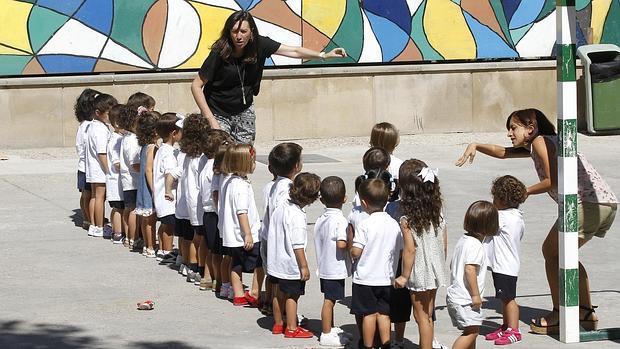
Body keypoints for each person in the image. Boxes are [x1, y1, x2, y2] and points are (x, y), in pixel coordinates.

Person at [455, 108, 618, 333]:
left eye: (513, 128)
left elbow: (551, 180)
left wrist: (523, 192)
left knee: (552, 253)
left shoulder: (540, 141)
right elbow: (504, 152)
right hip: (604, 202)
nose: (510, 133)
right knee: (563, 255)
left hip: (585, 203)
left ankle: (559, 313)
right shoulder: (542, 142)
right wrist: (476, 145)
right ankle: (585, 312)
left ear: (530, 128)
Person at [191, 10, 347, 143]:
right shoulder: (220, 52)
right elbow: (196, 85)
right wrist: (210, 118)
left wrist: (323, 55)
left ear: (251, 31)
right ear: (229, 32)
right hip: (218, 110)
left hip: (244, 109)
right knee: (220, 153)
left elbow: (293, 51)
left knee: (244, 155)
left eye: (243, 32)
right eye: (234, 31)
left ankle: (241, 179)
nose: (238, 36)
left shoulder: (260, 45)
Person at [393, 159, 447, 349]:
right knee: (429, 314)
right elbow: (444, 240)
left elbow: (410, 249)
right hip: (434, 267)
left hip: (419, 271)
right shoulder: (437, 212)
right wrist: (440, 262)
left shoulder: (407, 219)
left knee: (420, 317)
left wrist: (404, 276)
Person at [267, 172, 321, 338]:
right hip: (291, 264)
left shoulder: (281, 207)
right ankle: (291, 327)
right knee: (293, 296)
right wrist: (304, 266)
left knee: (278, 294)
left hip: (276, 262)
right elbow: (298, 245)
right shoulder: (297, 216)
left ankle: (278, 323)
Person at [350, 178, 403, 349]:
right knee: (384, 314)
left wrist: (352, 252)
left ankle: (368, 345)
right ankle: (386, 344)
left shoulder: (364, 224)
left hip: (366, 278)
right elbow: (400, 249)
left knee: (369, 315)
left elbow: (356, 251)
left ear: (364, 203)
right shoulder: (394, 224)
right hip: (387, 278)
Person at [446, 200, 499, 349]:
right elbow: (469, 270)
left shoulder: (463, 240)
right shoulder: (476, 246)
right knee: (471, 333)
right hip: (466, 299)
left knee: (472, 330)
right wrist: (475, 295)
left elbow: (453, 264)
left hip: (457, 296)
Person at [262, 142, 303, 328]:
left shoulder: (274, 185)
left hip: (272, 239)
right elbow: (288, 218)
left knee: (277, 286)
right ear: (296, 166)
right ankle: (290, 321)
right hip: (285, 245)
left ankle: (278, 322)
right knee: (289, 290)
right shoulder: (289, 189)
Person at [219, 144, 263, 307]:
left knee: (236, 263)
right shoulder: (241, 187)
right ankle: (254, 291)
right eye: (253, 160)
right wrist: (248, 234)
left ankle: (238, 294)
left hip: (232, 235)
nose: (255, 164)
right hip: (243, 234)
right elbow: (242, 212)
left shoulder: (229, 181)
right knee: (259, 262)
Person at [484, 175, 527, 345]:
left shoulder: (502, 217)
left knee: (509, 299)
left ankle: (514, 330)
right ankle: (506, 325)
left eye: (494, 197)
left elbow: (485, 226)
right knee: (504, 297)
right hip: (506, 264)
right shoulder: (516, 216)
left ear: (502, 199)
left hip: (504, 265)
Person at [313, 176, 351, 347]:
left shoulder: (322, 219)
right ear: (345, 198)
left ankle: (331, 327)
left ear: (322, 199)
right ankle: (326, 333)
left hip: (324, 265)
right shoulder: (340, 221)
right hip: (334, 268)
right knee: (329, 300)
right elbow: (341, 243)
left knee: (331, 298)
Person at [198, 129, 233, 291]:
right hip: (214, 213)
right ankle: (219, 280)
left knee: (213, 249)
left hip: (208, 212)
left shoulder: (205, 164)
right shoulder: (214, 168)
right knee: (218, 251)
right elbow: (215, 194)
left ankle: (211, 277)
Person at [178, 114, 211, 284]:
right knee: (200, 237)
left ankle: (191, 266)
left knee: (195, 235)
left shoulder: (186, 154)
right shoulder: (201, 157)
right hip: (198, 201)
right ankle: (198, 267)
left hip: (190, 201)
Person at [85, 93, 117, 238]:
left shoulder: (93, 127)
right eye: (109, 114)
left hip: (93, 168)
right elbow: (102, 153)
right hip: (100, 169)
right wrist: (109, 170)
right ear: (98, 113)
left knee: (94, 196)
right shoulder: (100, 130)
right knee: (99, 197)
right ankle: (99, 225)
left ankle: (93, 224)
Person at [153, 113, 182, 261]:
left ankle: (163, 249)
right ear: (174, 133)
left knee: (164, 224)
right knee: (169, 227)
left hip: (160, 196)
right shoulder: (169, 154)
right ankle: (167, 251)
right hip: (167, 198)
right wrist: (169, 190)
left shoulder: (161, 149)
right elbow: (169, 174)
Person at [135, 111, 160, 258]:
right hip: (149, 187)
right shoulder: (152, 148)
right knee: (151, 219)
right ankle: (151, 245)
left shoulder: (144, 146)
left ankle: (147, 244)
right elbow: (149, 169)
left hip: (142, 186)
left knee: (145, 219)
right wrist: (154, 188)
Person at [74, 88, 100, 230]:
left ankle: (88, 218)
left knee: (87, 194)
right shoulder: (87, 126)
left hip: (85, 165)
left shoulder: (86, 125)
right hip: (87, 166)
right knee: (88, 194)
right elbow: (81, 146)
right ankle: (89, 218)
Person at [118, 104, 141, 249]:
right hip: (134, 181)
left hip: (128, 180)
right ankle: (133, 237)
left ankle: (128, 237)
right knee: (133, 210)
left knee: (129, 209)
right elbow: (135, 164)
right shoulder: (132, 140)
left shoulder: (127, 138)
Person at [106, 104, 126, 243]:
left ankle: (116, 230)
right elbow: (117, 162)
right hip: (116, 182)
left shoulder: (119, 138)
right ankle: (118, 232)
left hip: (117, 181)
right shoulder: (116, 140)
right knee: (119, 208)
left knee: (117, 208)